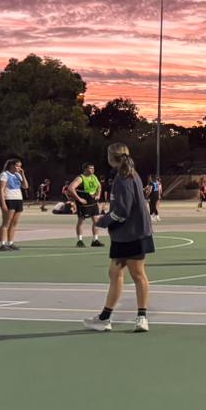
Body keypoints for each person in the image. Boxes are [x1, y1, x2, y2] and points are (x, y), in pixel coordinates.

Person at [83, 143, 153, 333]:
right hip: (130, 233)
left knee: (137, 274)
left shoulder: (123, 178)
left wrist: (103, 220)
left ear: (110, 157)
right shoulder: (132, 174)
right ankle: (106, 317)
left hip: (131, 233)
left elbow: (122, 211)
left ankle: (141, 317)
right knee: (116, 273)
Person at [65, 164, 105, 247]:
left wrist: (98, 194)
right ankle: (80, 241)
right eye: (90, 168)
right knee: (81, 221)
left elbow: (99, 186)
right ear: (85, 169)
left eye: (93, 168)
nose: (93, 169)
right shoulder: (80, 178)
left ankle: (95, 240)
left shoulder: (94, 177)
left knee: (96, 221)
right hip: (84, 204)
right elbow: (70, 188)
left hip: (93, 202)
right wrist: (79, 199)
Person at [0, 157, 28, 251]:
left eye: (20, 166)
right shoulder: (4, 174)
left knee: (14, 223)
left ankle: (10, 243)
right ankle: (3, 244)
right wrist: (3, 203)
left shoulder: (18, 175)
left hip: (18, 199)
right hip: (9, 199)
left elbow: (25, 186)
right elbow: (1, 189)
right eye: (17, 166)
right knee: (6, 223)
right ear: (11, 166)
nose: (19, 168)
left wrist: (23, 174)